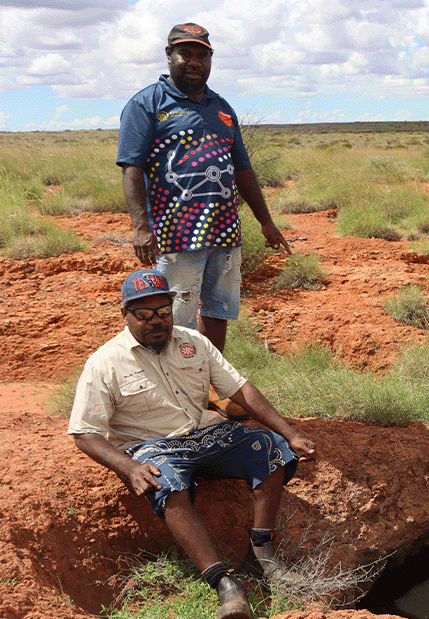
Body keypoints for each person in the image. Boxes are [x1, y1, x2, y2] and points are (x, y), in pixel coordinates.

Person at [69, 269, 317, 619]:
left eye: (163, 311)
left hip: (206, 433)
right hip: (153, 446)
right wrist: (129, 467)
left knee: (271, 447)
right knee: (165, 480)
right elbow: (84, 433)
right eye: (143, 314)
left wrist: (290, 432)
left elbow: (240, 389)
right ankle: (225, 583)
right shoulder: (104, 363)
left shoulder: (193, 342)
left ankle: (261, 552)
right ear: (124, 314)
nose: (156, 321)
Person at [118, 22, 291, 353]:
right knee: (174, 316)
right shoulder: (147, 104)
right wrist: (140, 225)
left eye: (202, 55)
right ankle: (175, 387)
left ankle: (210, 381)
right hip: (176, 231)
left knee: (218, 311)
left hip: (225, 230)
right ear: (169, 56)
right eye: (186, 53)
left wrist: (265, 221)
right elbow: (132, 167)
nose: (194, 62)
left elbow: (242, 169)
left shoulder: (222, 108)